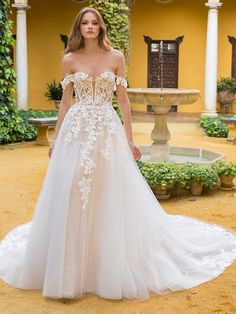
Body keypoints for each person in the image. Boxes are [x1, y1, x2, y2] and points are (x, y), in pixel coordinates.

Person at [0, 7, 235, 300]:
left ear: (101, 27)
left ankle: (104, 263)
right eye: (84, 23)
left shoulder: (116, 57)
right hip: (77, 130)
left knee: (107, 189)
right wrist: (57, 138)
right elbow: (65, 102)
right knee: (74, 189)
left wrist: (130, 139)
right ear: (79, 27)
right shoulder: (69, 59)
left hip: (107, 129)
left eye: (94, 23)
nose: (89, 27)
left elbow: (123, 101)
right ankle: (70, 270)